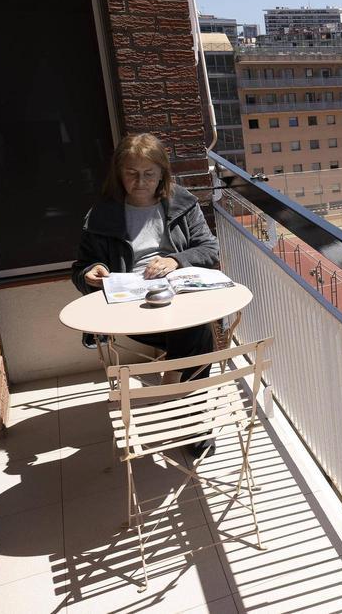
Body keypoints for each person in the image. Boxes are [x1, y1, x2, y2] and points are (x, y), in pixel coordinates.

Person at [71, 133, 220, 455]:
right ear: (119, 174)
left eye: (149, 173)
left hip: (177, 292)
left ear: (162, 174)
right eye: (132, 173)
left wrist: (175, 259)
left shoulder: (182, 203)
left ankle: (180, 402)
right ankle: (191, 415)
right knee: (199, 336)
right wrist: (90, 273)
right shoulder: (102, 215)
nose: (140, 182)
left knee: (195, 330)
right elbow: (81, 267)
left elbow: (209, 248)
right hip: (131, 308)